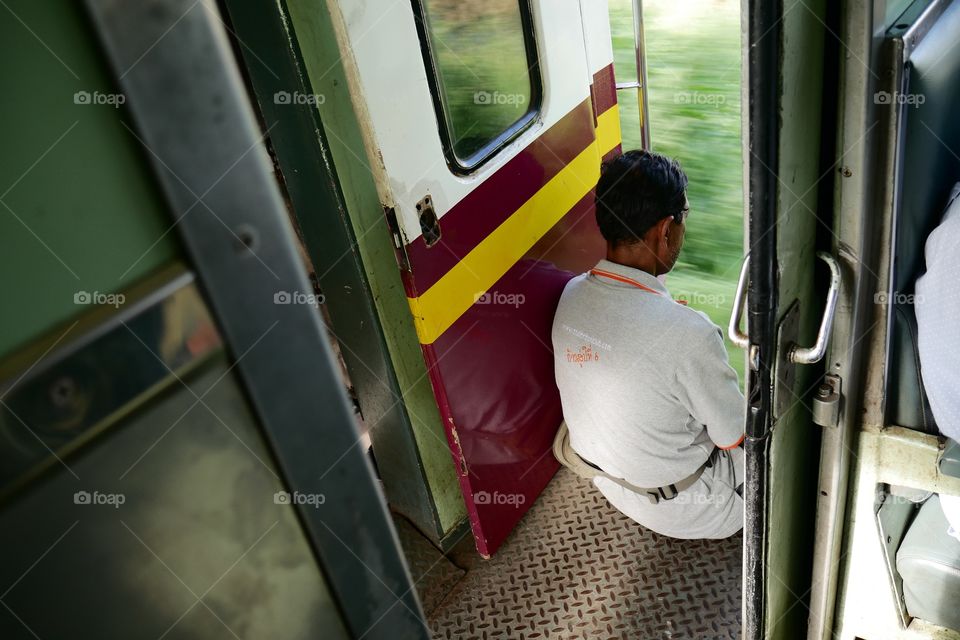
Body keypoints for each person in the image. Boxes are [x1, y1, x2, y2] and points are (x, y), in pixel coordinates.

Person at [551, 149, 745, 539]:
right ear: (666, 229)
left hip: (613, 487)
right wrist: (688, 337)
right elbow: (733, 436)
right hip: (694, 510)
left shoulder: (571, 295)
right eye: (685, 216)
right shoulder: (690, 334)